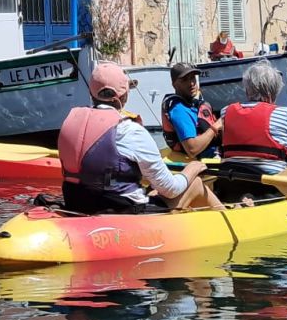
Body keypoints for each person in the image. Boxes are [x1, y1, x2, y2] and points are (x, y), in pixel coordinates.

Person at [59, 61, 220, 213]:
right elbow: (171, 190)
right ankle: (235, 227)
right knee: (196, 183)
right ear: (123, 96)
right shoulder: (129, 130)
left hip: (77, 204)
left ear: (92, 93)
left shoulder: (69, 123)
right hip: (122, 212)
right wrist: (192, 169)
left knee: (153, 189)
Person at [211, 60, 287, 204]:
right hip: (266, 188)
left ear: (247, 90)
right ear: (273, 91)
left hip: (229, 183)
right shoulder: (285, 115)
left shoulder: (226, 112)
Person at [161, 62, 220, 160]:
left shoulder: (191, 104)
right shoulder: (179, 110)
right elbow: (192, 149)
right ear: (174, 84)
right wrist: (217, 126)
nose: (191, 83)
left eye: (192, 78)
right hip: (200, 160)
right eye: (185, 80)